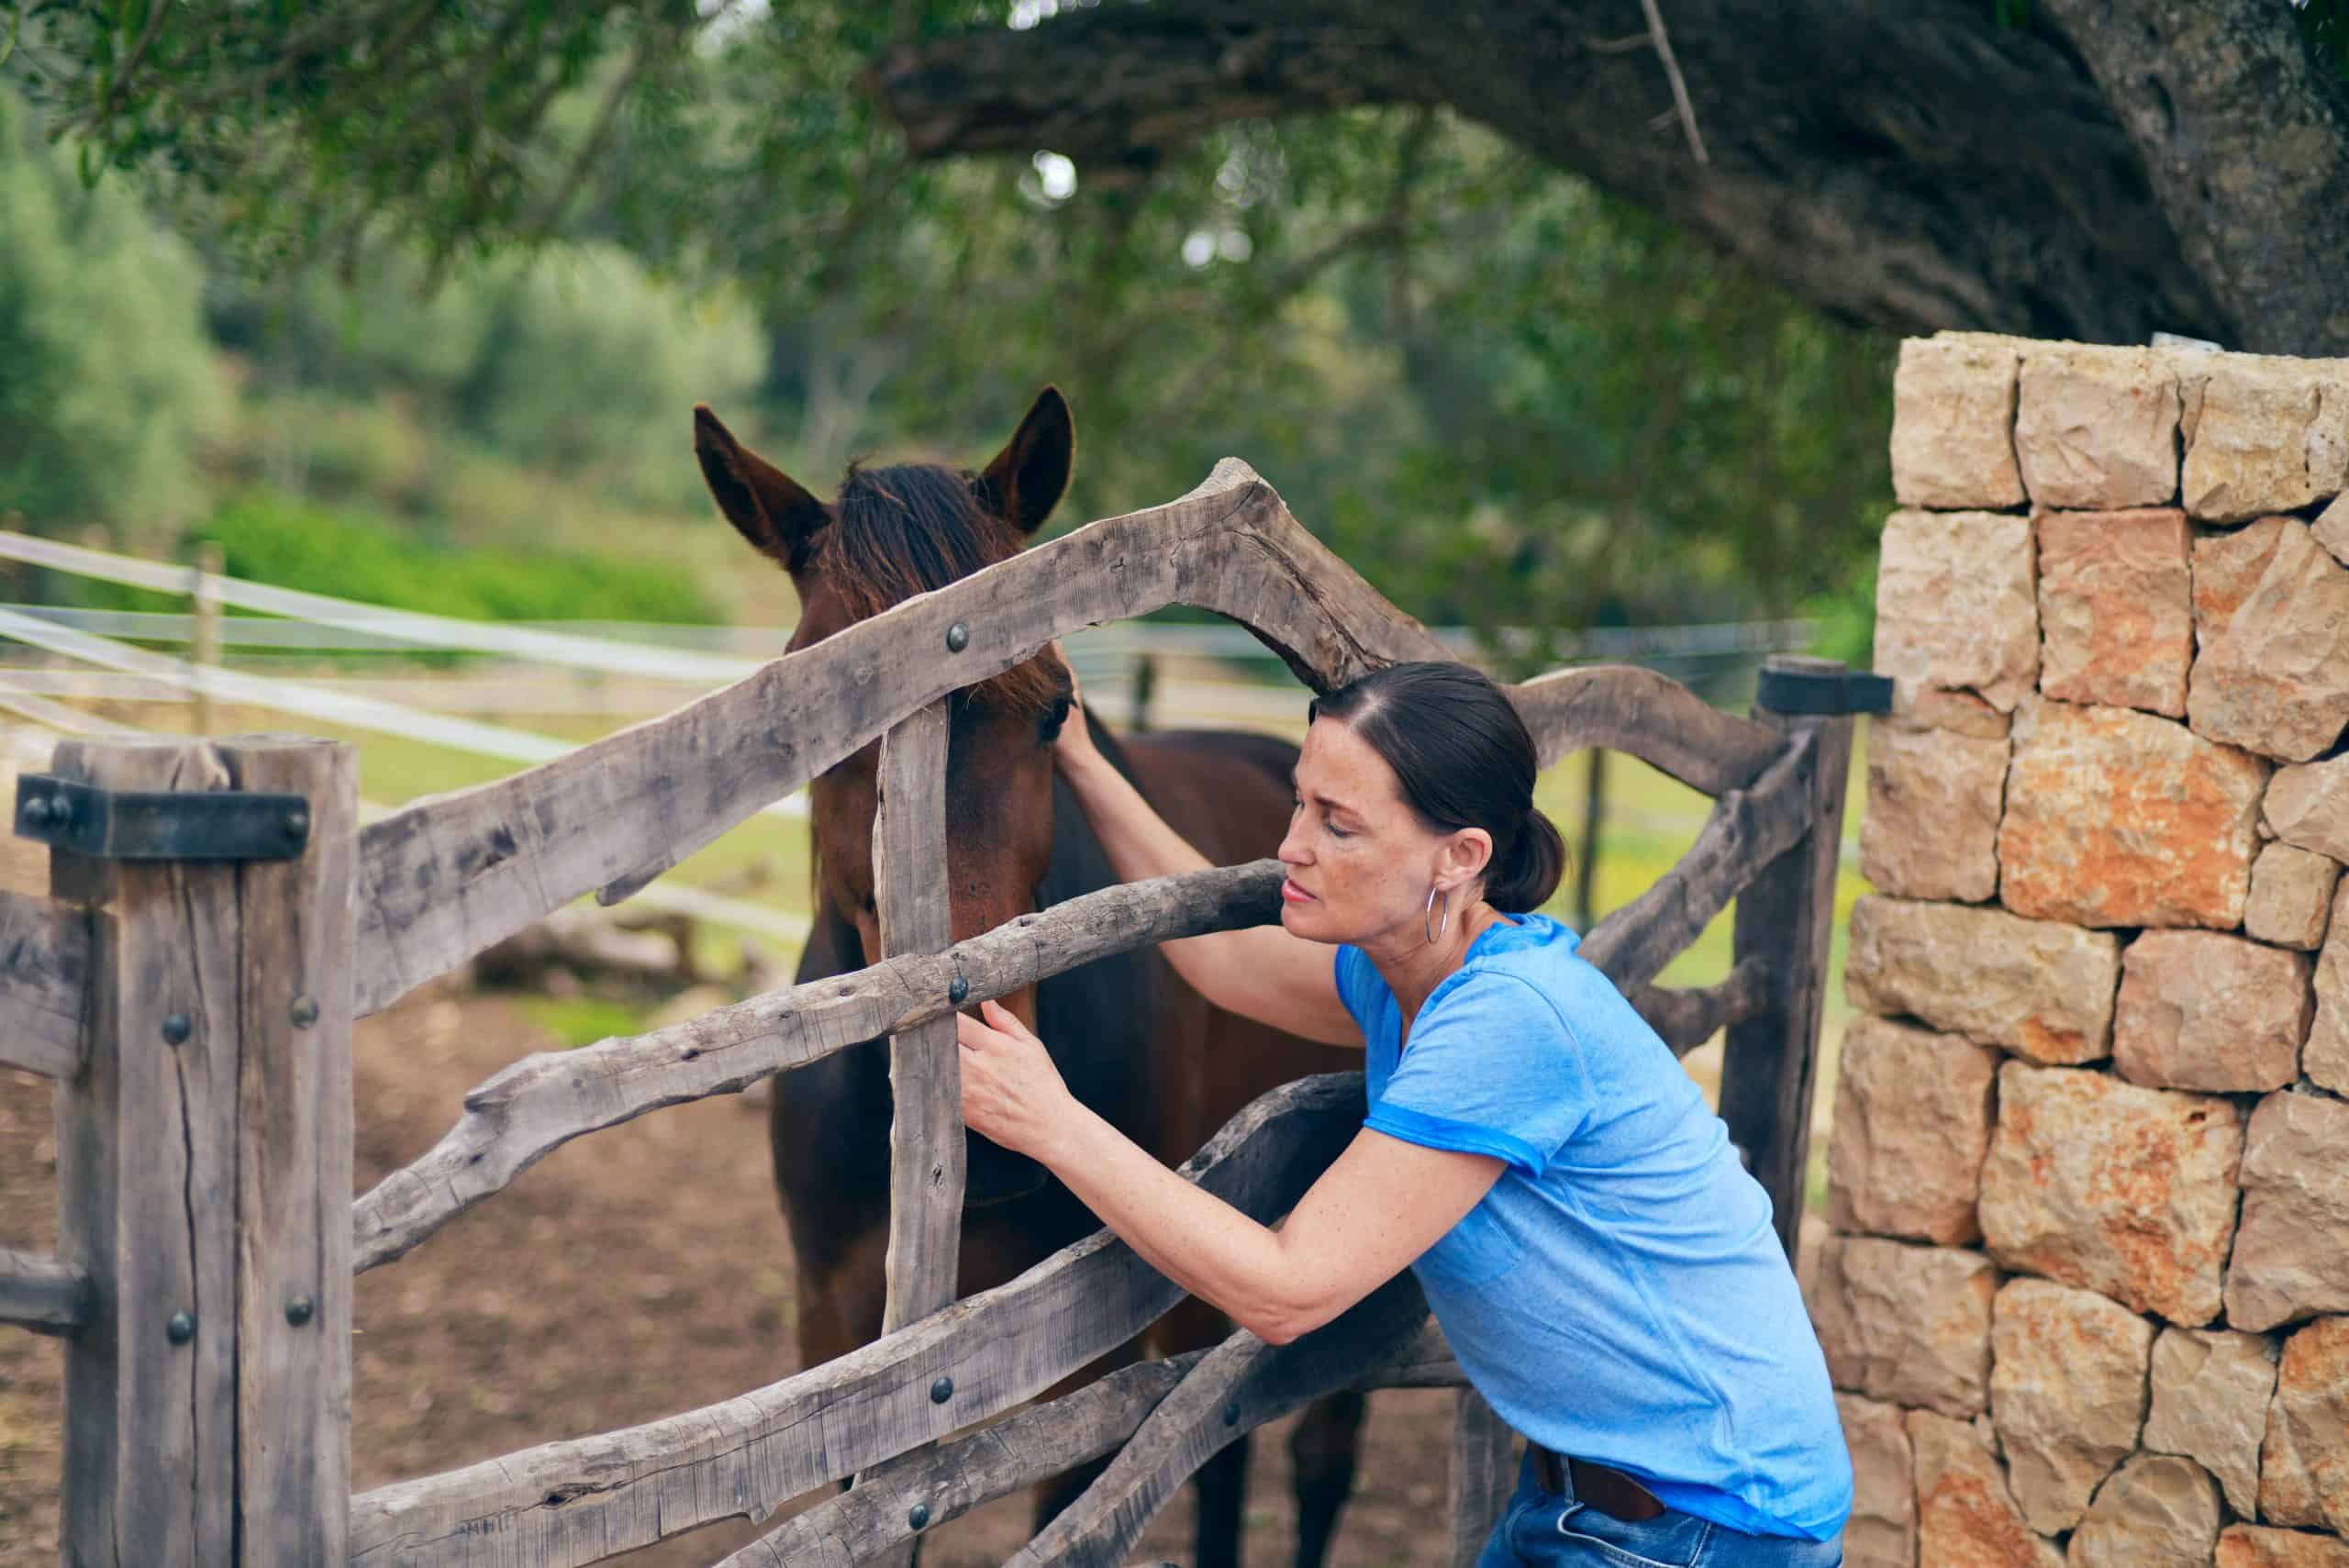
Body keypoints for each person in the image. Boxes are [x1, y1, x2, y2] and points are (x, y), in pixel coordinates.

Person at [954, 658, 1853, 1567]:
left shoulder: (1507, 1019)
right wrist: (1082, 755)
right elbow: (1224, 961)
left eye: (1338, 823)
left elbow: (1286, 1286)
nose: (1293, 845)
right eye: (1302, 802)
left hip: (1706, 1529)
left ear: (1459, 856)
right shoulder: (1409, 975)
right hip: (1582, 1502)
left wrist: (1051, 1121)